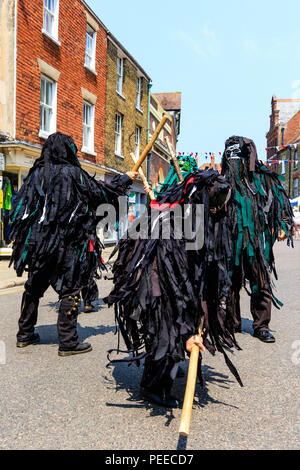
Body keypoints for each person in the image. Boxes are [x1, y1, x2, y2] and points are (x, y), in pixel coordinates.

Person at [106, 169, 242, 408]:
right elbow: (175, 285)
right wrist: (189, 330)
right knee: (166, 326)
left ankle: (169, 363)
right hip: (154, 278)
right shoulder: (174, 225)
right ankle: (152, 386)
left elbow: (198, 266)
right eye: (213, 207)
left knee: (180, 321)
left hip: (170, 276)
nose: (217, 213)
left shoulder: (194, 218)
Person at [9, 132, 137, 356]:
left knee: (33, 287)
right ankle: (68, 342)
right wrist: (124, 180)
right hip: (67, 245)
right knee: (70, 289)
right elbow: (100, 193)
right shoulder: (74, 174)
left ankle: (24, 334)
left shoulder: (36, 174)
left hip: (40, 244)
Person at [221, 136, 294, 343]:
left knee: (260, 280)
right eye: (230, 155)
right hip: (231, 241)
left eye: (238, 155)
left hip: (256, 242)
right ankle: (231, 322)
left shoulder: (262, 178)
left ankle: (261, 325)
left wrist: (282, 224)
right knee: (230, 281)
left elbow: (280, 199)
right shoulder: (223, 181)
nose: (234, 160)